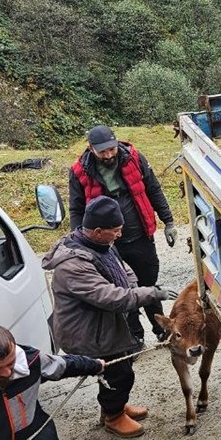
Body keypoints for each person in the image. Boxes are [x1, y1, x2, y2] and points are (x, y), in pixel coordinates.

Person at [42, 196, 177, 438]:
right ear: (96, 231)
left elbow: (123, 269)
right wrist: (151, 293)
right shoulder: (74, 265)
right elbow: (111, 297)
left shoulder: (100, 245)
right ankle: (113, 416)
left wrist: (133, 286)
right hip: (87, 333)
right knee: (119, 373)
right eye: (115, 230)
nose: (119, 234)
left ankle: (115, 406)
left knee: (120, 366)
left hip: (103, 324)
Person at [69, 125, 176, 344]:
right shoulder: (80, 172)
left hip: (139, 235)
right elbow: (77, 209)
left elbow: (153, 189)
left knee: (148, 283)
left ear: (116, 143)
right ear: (91, 149)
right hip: (107, 244)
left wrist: (169, 221)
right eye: (102, 152)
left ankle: (161, 330)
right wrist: (79, 242)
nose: (108, 155)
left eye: (111, 149)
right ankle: (134, 337)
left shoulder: (133, 158)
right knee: (121, 289)